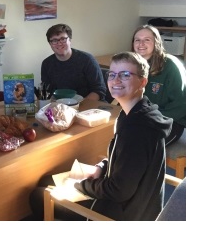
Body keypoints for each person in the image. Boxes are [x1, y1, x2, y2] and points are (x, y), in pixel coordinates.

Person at [29, 51, 172, 221]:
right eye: (112, 74)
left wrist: (79, 185)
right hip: (132, 199)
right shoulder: (135, 112)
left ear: (143, 81)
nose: (116, 80)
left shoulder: (137, 129)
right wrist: (103, 166)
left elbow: (119, 191)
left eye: (125, 75)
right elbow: (128, 162)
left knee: (38, 196)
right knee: (46, 180)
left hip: (123, 213)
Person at [132, 24, 186, 146]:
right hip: (141, 119)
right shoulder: (133, 65)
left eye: (147, 40)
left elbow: (181, 104)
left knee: (140, 145)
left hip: (170, 122)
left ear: (156, 43)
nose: (141, 44)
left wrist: (150, 119)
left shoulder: (171, 65)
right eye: (137, 40)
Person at [41, 23, 106, 101]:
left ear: (70, 40)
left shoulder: (87, 60)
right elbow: (47, 91)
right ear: (50, 44)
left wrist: (80, 107)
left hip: (88, 106)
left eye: (63, 39)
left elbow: (99, 90)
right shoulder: (46, 64)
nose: (59, 43)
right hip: (61, 107)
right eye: (54, 40)